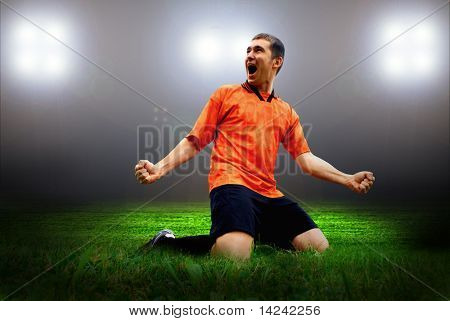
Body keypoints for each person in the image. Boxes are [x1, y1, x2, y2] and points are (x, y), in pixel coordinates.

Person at [134, 33, 375, 260]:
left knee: (318, 249)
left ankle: (252, 233)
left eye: (258, 50)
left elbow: (307, 160)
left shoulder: (287, 112)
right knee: (234, 256)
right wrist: (159, 168)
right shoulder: (226, 94)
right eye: (247, 50)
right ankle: (165, 242)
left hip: (269, 194)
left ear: (276, 62)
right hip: (231, 185)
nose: (249, 55)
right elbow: (194, 141)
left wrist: (347, 179)